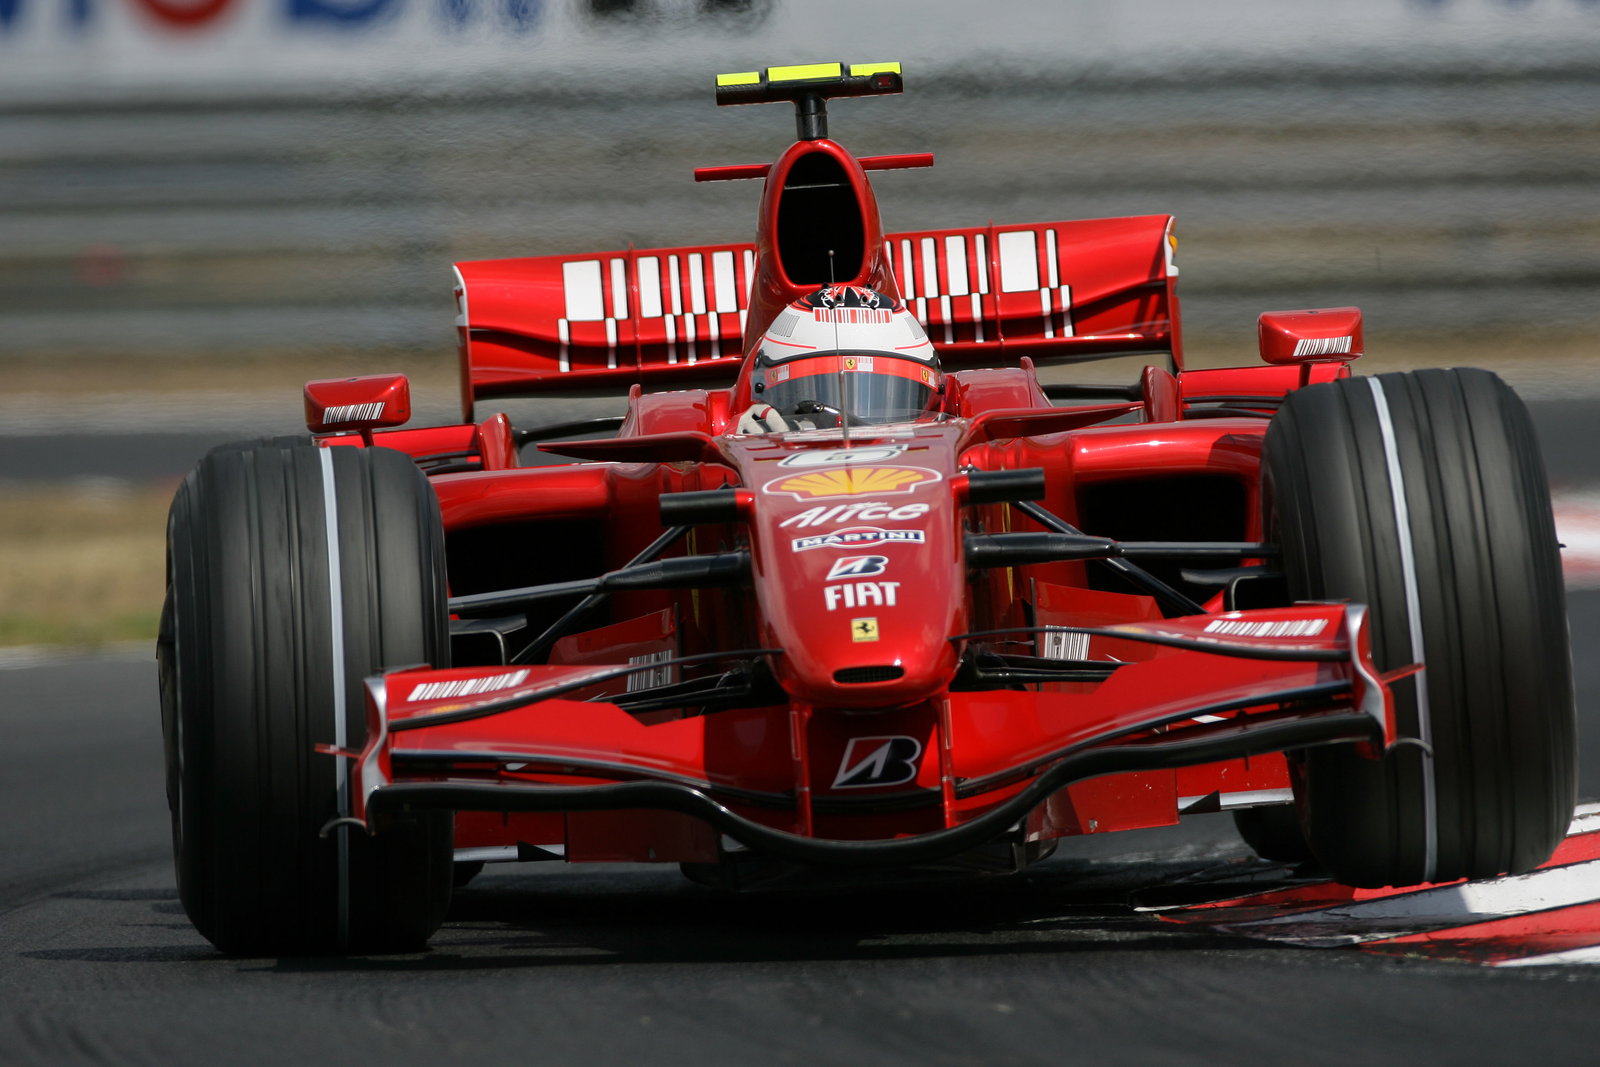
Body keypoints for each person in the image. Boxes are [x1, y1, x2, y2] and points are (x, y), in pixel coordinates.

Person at [734, 285, 943, 433]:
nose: (851, 433)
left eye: (881, 393)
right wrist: (739, 445)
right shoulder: (753, 433)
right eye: (818, 389)